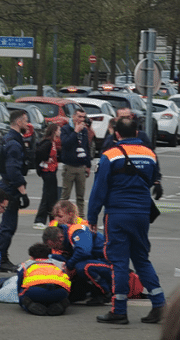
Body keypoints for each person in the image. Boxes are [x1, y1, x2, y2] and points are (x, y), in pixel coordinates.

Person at [87, 116, 165, 324]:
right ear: (138, 133)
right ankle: (159, 305)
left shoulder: (110, 155)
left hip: (118, 214)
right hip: (141, 214)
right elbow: (152, 179)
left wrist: (92, 216)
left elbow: (99, 189)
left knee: (118, 262)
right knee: (141, 259)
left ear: (117, 134)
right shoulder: (150, 154)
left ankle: (119, 310)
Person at [0, 109, 29, 272]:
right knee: (8, 226)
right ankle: (1, 259)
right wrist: (23, 192)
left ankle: (1, 257)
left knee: (7, 226)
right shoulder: (14, 143)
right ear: (18, 122)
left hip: (6, 184)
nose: (27, 124)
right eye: (25, 120)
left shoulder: (6, 138)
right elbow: (13, 170)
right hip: (10, 188)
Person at [59, 109, 91, 218]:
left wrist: (88, 165)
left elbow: (86, 147)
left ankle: (81, 217)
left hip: (81, 166)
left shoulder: (85, 131)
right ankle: (62, 216)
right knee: (65, 195)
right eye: (79, 116)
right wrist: (75, 132)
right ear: (73, 117)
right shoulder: (66, 129)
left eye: (83, 117)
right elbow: (65, 144)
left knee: (80, 196)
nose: (81, 119)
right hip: (69, 166)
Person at [33, 123, 60, 229]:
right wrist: (45, 158)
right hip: (47, 172)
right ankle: (39, 220)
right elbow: (39, 152)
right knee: (48, 196)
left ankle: (52, 220)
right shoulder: (48, 142)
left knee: (51, 196)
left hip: (51, 171)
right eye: (59, 130)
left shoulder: (53, 142)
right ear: (54, 131)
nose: (60, 132)